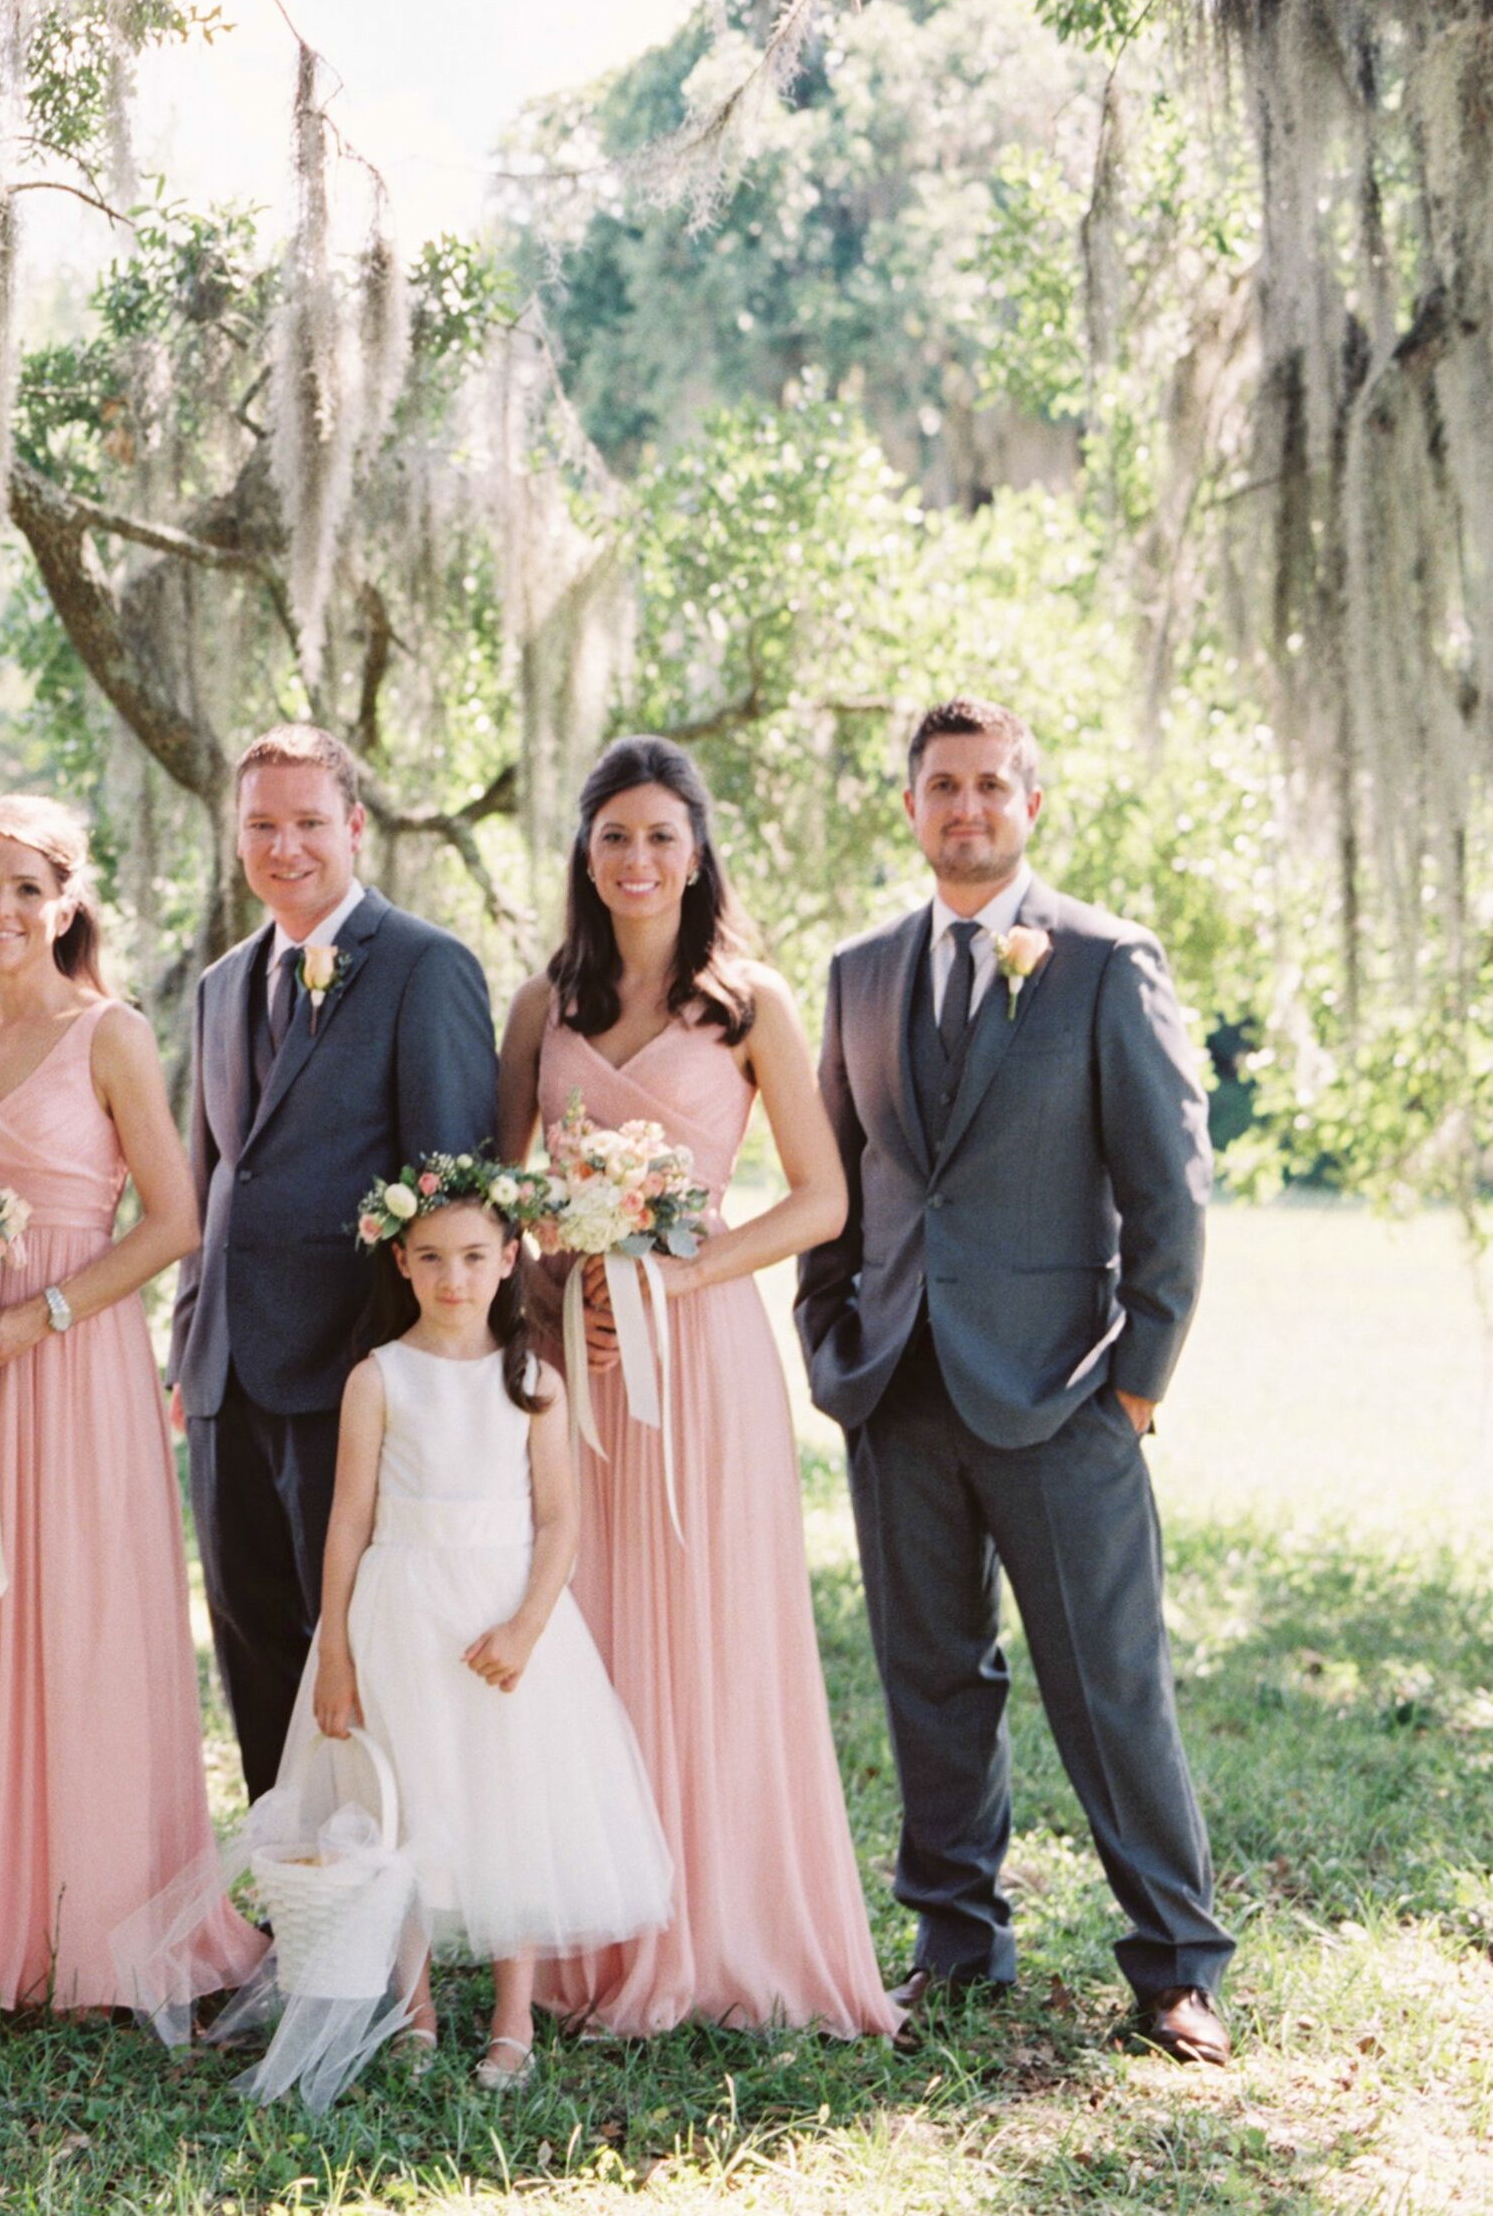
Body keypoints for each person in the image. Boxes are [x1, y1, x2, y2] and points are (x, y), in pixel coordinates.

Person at [794, 698, 1230, 2065]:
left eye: (989, 785)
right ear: (907, 805)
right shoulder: (858, 971)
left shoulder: (1105, 961)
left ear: (1027, 804)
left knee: (1105, 1685)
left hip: (1060, 1396)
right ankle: (954, 1939)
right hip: (893, 1389)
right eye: (940, 786)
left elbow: (1170, 1194)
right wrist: (827, 1337)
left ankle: (1171, 1962)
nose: (964, 807)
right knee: (927, 1677)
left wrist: (1135, 1387)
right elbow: (839, 1182)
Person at [493, 736, 900, 2037]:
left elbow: (821, 1196)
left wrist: (671, 1278)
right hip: (574, 1362)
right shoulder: (537, 1009)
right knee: (586, 1623)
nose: (635, 859)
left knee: (712, 1621)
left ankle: (719, 1923)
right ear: (582, 852)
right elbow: (502, 1196)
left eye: (660, 835)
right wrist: (553, 1288)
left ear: (696, 850)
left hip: (703, 1351)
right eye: (612, 835)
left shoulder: (749, 1002)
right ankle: (589, 1928)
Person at [0, 796, 261, 2015]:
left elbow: (173, 1218)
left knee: (87, 1624)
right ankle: (0, 1926)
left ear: (65, 904)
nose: (1, 909)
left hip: (75, 1355)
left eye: (24, 887)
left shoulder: (111, 1036)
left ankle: (111, 1927)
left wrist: (33, 1322)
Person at [170, 724, 498, 1801]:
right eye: (261, 825)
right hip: (226, 1378)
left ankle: (379, 1903)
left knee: (353, 1646)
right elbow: (210, 1180)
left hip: (352, 1378)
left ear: (353, 827)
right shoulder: (221, 985)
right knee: (252, 1640)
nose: (285, 845)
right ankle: (294, 1890)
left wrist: (422, 1376)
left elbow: (453, 1188)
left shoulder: (424, 967)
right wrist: (187, 1351)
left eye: (309, 821)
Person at [300, 1161, 671, 2090]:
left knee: (511, 1804)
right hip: (397, 1614)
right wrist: (335, 1653)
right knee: (407, 1802)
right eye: (430, 1258)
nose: (452, 1279)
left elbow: (559, 1521)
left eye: (472, 1256)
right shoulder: (377, 1379)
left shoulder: (531, 1379)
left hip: (502, 1621)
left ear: (510, 1260)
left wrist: (526, 1626)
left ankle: (514, 2021)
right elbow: (348, 1520)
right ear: (401, 1262)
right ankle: (414, 2009)